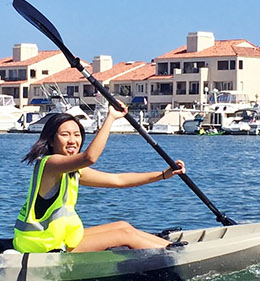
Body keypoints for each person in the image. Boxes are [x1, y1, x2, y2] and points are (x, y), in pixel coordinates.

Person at [14, 105, 186, 253]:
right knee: (123, 235)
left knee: (122, 226)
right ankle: (176, 254)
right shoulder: (50, 164)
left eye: (77, 135)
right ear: (51, 141)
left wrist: (163, 174)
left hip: (55, 239)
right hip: (40, 245)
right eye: (65, 135)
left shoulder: (73, 171)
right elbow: (89, 157)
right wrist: (110, 118)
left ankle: (174, 248)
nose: (73, 141)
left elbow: (118, 180)